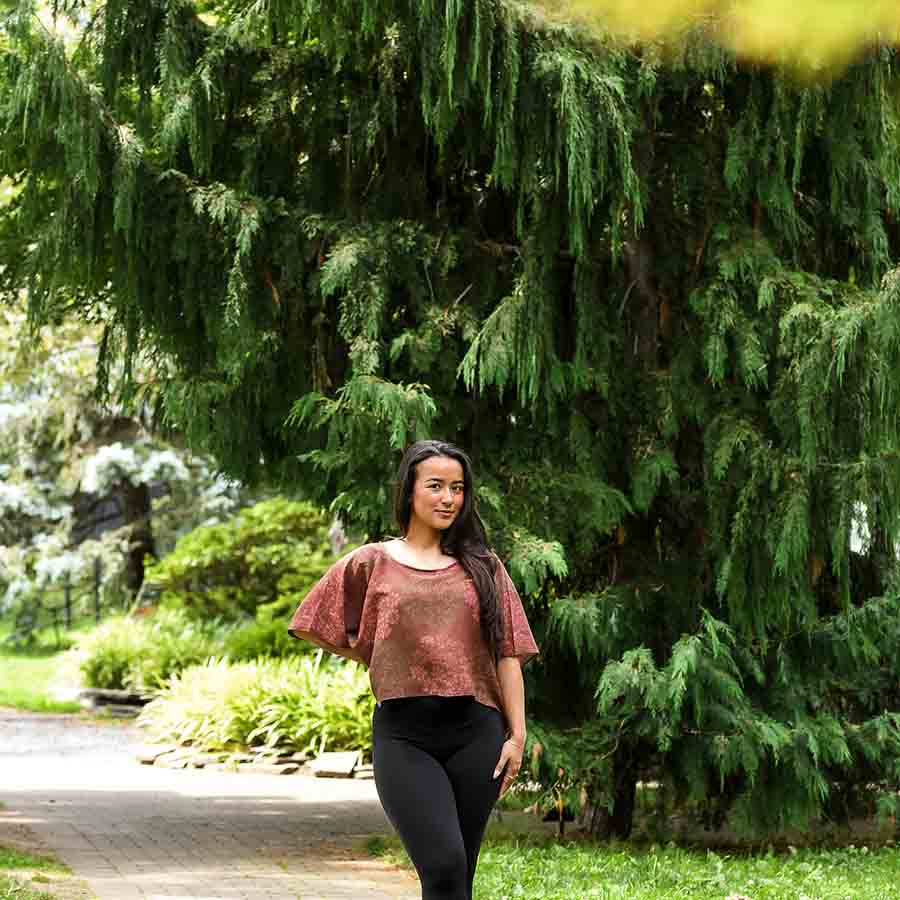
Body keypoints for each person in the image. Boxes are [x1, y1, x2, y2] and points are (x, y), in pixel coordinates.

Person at [288, 439, 539, 900]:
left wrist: (517, 736)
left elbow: (508, 652)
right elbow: (311, 623)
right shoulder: (371, 561)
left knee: (457, 877)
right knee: (443, 862)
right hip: (404, 735)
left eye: (458, 488)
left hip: (476, 732)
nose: (449, 498)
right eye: (437, 486)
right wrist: (374, 652)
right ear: (410, 491)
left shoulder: (484, 566)